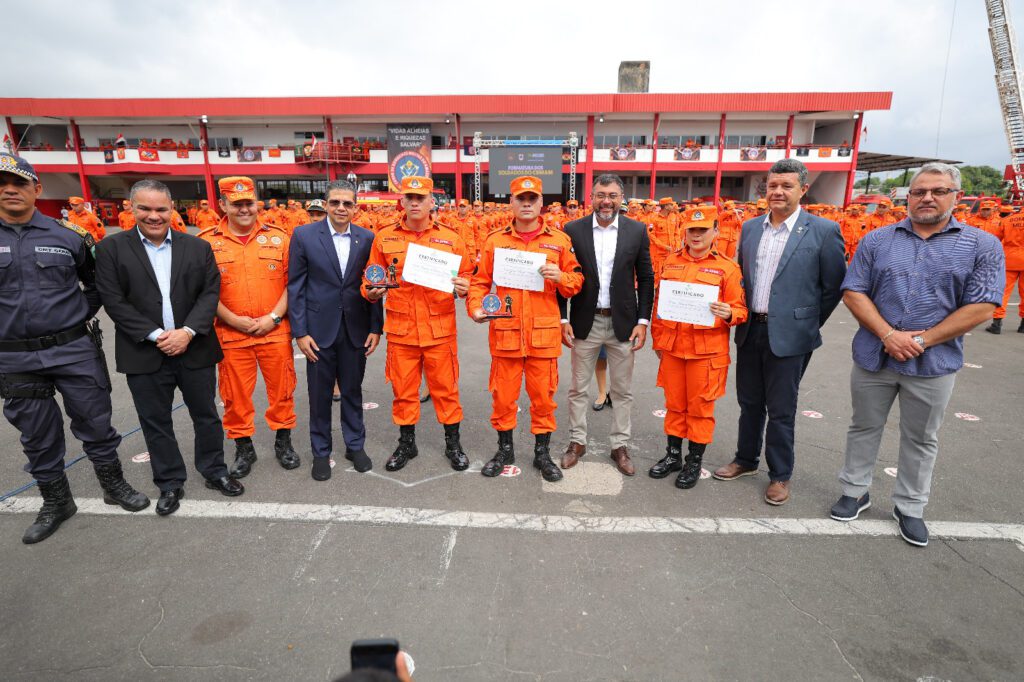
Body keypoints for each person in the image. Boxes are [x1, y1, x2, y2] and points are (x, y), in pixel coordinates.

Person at [830, 163, 1004, 547]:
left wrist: (921, 341)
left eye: (938, 191)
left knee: (921, 437)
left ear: (956, 197)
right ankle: (854, 490)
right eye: (919, 191)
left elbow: (983, 306)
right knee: (863, 426)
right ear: (908, 197)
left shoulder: (981, 244)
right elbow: (854, 291)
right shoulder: (878, 240)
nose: (927, 198)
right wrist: (889, 335)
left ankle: (910, 506)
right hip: (875, 356)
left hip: (933, 363)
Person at [0, 152, 148, 544]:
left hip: (72, 347)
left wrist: (74, 315)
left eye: (18, 183)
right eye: (2, 184)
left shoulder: (69, 236)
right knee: (36, 432)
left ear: (37, 189)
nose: (10, 190)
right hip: (14, 354)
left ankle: (113, 486)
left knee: (95, 421)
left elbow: (97, 283)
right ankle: (57, 501)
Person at [95, 179, 243, 516]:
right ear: (131, 209)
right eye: (145, 208)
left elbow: (210, 293)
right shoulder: (110, 249)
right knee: (155, 421)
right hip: (144, 350)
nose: (153, 216)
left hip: (194, 347)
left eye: (161, 209)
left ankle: (214, 471)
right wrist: (156, 334)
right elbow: (113, 301)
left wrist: (188, 331)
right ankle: (170, 482)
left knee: (206, 416)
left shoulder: (198, 247)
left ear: (172, 209)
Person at [713, 158, 846, 506]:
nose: (778, 192)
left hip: (792, 335)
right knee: (749, 403)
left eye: (786, 186)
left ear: (803, 189)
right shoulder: (752, 228)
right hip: (751, 329)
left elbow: (833, 287)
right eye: (773, 185)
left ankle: (780, 475)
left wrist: (807, 322)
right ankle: (745, 459)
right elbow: (742, 277)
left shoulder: (823, 230)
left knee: (782, 408)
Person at [469, 176, 583, 481]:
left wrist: (561, 277)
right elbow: (480, 282)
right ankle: (504, 450)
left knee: (543, 399)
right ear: (512, 203)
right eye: (521, 198)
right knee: (503, 398)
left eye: (532, 199)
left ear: (541, 203)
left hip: (543, 336)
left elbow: (576, 283)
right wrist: (476, 308)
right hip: (506, 332)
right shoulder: (496, 241)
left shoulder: (559, 241)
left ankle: (541, 453)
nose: (527, 204)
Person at [363, 176, 473, 473]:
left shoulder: (452, 238)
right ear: (402, 200)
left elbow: (469, 277)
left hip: (439, 329)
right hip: (401, 330)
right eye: (409, 197)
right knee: (404, 391)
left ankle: (453, 443)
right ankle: (406, 443)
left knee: (446, 390)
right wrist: (371, 290)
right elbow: (370, 278)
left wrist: (465, 286)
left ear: (431, 201)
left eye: (420, 197)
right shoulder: (384, 237)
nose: (414, 202)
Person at [198, 176, 299, 478]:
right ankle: (244, 446)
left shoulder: (280, 238)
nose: (244, 209)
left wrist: (274, 317)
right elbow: (203, 290)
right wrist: (231, 319)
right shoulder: (206, 242)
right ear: (223, 205)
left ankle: (283, 442)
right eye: (237, 204)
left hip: (274, 330)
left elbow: (292, 284)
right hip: (230, 332)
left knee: (282, 390)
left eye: (249, 203)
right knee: (235, 395)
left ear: (257, 204)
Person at [557, 174, 653, 476]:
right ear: (592, 197)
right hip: (585, 321)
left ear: (621, 197)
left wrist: (643, 320)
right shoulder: (572, 230)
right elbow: (561, 276)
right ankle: (577, 442)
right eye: (600, 195)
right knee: (577, 389)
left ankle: (619, 446)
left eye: (612, 195)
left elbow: (646, 277)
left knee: (622, 391)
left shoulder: (636, 231)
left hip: (623, 323)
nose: (606, 201)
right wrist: (562, 318)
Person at [649, 206, 747, 488]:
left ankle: (694, 461)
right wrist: (658, 340)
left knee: (700, 409)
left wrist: (729, 312)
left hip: (707, 352)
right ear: (685, 231)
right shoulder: (670, 262)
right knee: (674, 406)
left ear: (715, 232)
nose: (696, 235)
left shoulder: (727, 268)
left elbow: (741, 310)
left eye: (703, 230)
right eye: (692, 230)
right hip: (673, 348)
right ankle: (672, 456)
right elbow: (659, 306)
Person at [290, 180, 383, 480]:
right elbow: (296, 286)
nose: (341, 208)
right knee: (319, 396)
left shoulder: (367, 238)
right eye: (335, 203)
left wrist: (375, 326)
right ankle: (321, 451)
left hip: (355, 329)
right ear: (326, 204)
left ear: (356, 207)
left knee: (353, 392)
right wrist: (300, 332)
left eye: (347, 203)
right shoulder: (304, 236)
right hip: (318, 332)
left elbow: (373, 284)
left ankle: (355, 445)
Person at [987, 206, 1024, 334]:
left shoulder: (1008, 220)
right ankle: (1023, 325)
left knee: (1003, 292)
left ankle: (997, 324)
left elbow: (995, 239)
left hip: (1010, 259)